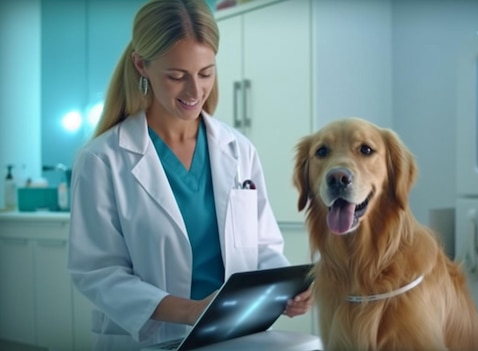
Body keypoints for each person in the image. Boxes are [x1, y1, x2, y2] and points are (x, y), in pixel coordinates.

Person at [67, 0, 313, 350]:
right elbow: (98, 273)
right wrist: (190, 311)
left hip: (235, 334)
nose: (195, 91)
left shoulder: (239, 149)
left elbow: (264, 247)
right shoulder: (103, 160)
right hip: (148, 340)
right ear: (141, 65)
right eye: (176, 76)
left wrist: (287, 291)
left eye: (205, 73)